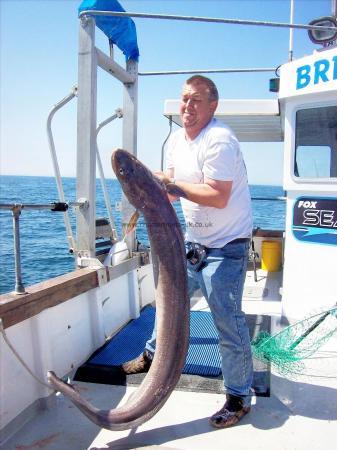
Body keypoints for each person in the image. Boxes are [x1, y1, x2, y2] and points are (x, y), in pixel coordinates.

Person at [122, 75, 254, 429]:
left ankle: (239, 397)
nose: (188, 106)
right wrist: (153, 181)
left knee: (228, 321)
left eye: (196, 100)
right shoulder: (176, 141)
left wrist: (172, 184)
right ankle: (152, 356)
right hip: (192, 244)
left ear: (213, 105)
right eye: (184, 99)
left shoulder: (220, 140)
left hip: (226, 248)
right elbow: (172, 187)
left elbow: (218, 194)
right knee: (167, 307)